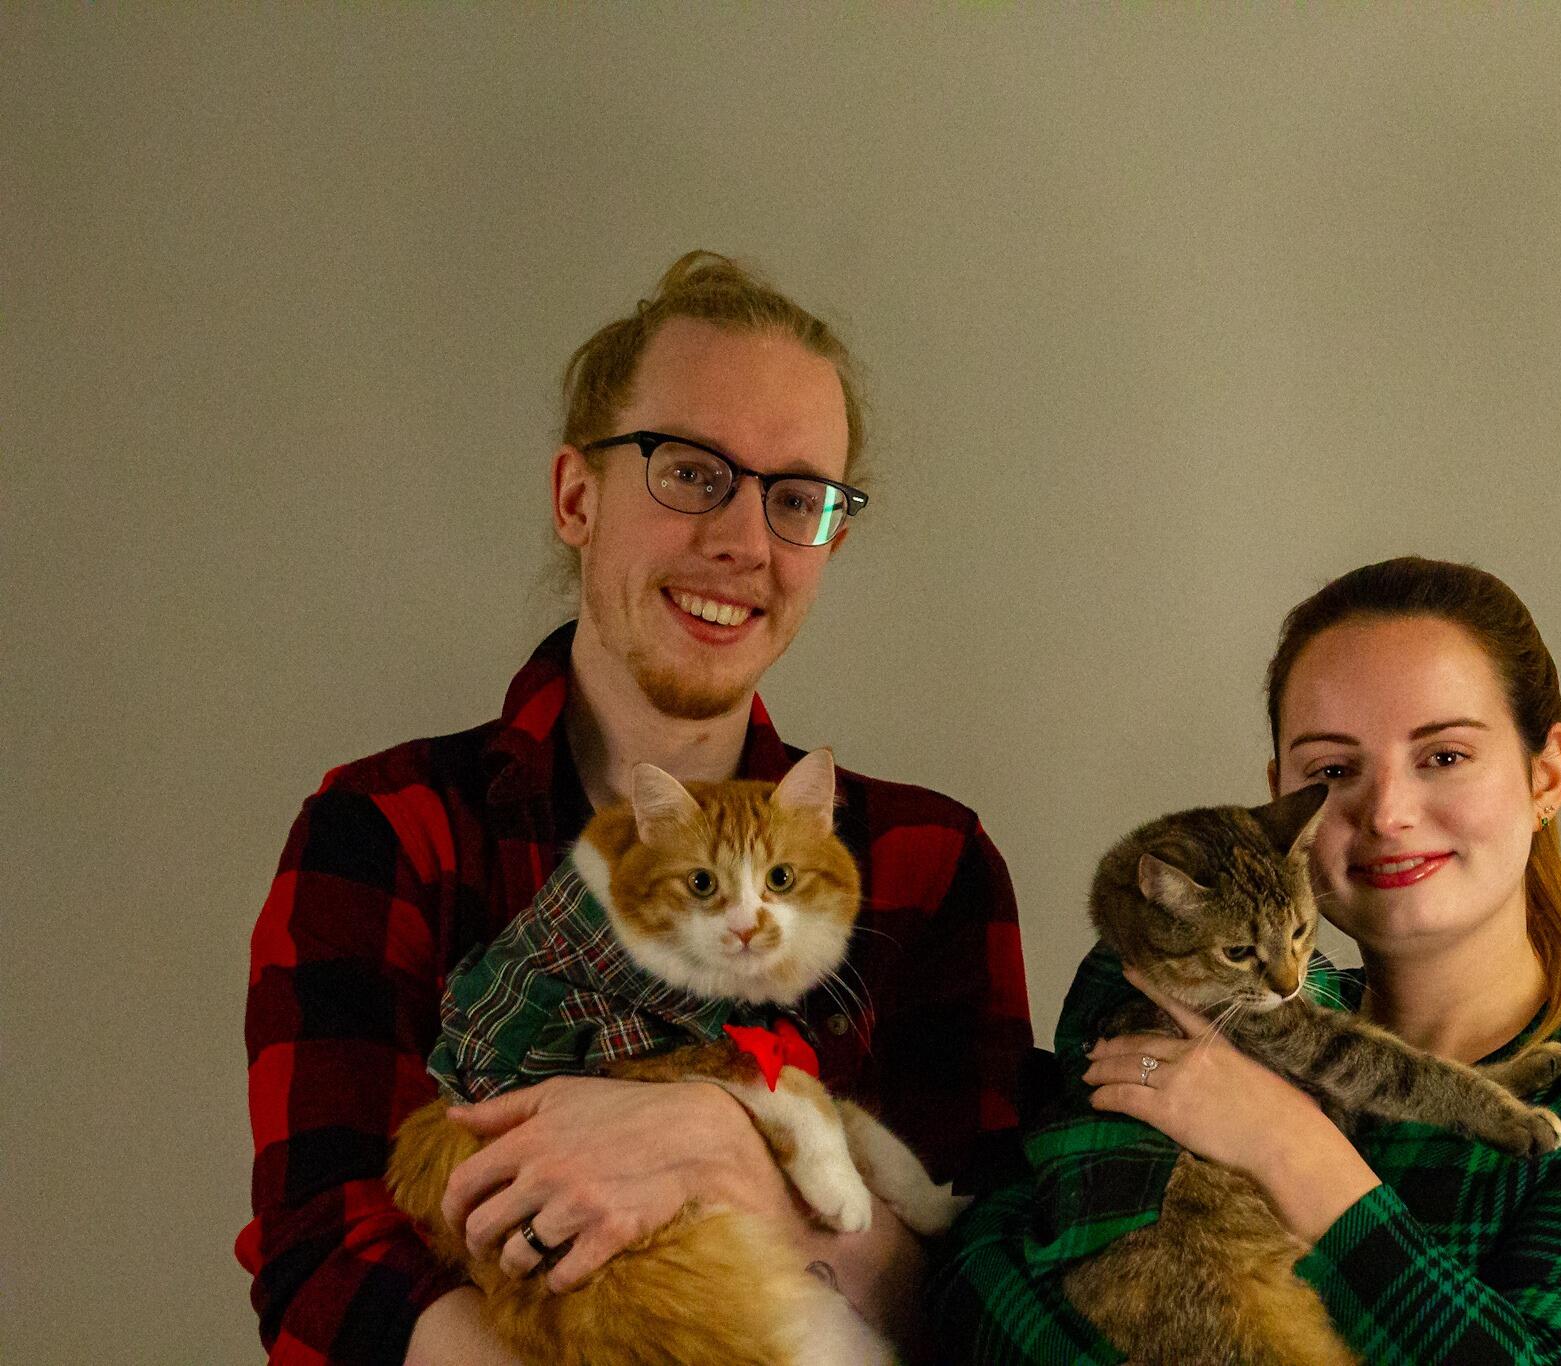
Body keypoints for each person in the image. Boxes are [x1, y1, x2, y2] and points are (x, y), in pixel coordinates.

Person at [238, 252, 1035, 1365]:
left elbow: (1004, 1318)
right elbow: (327, 1272)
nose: (744, 542)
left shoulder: (925, 861)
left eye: (796, 498)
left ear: (829, 541)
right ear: (576, 496)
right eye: (691, 471)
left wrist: (725, 1151)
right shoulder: (386, 833)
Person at [930, 556, 1561, 1364]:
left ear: (1547, 772)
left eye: (1444, 756)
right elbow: (970, 1290)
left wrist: (1292, 1149)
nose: (1386, 813)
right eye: (1333, 770)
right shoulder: (1176, 998)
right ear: (1283, 799)